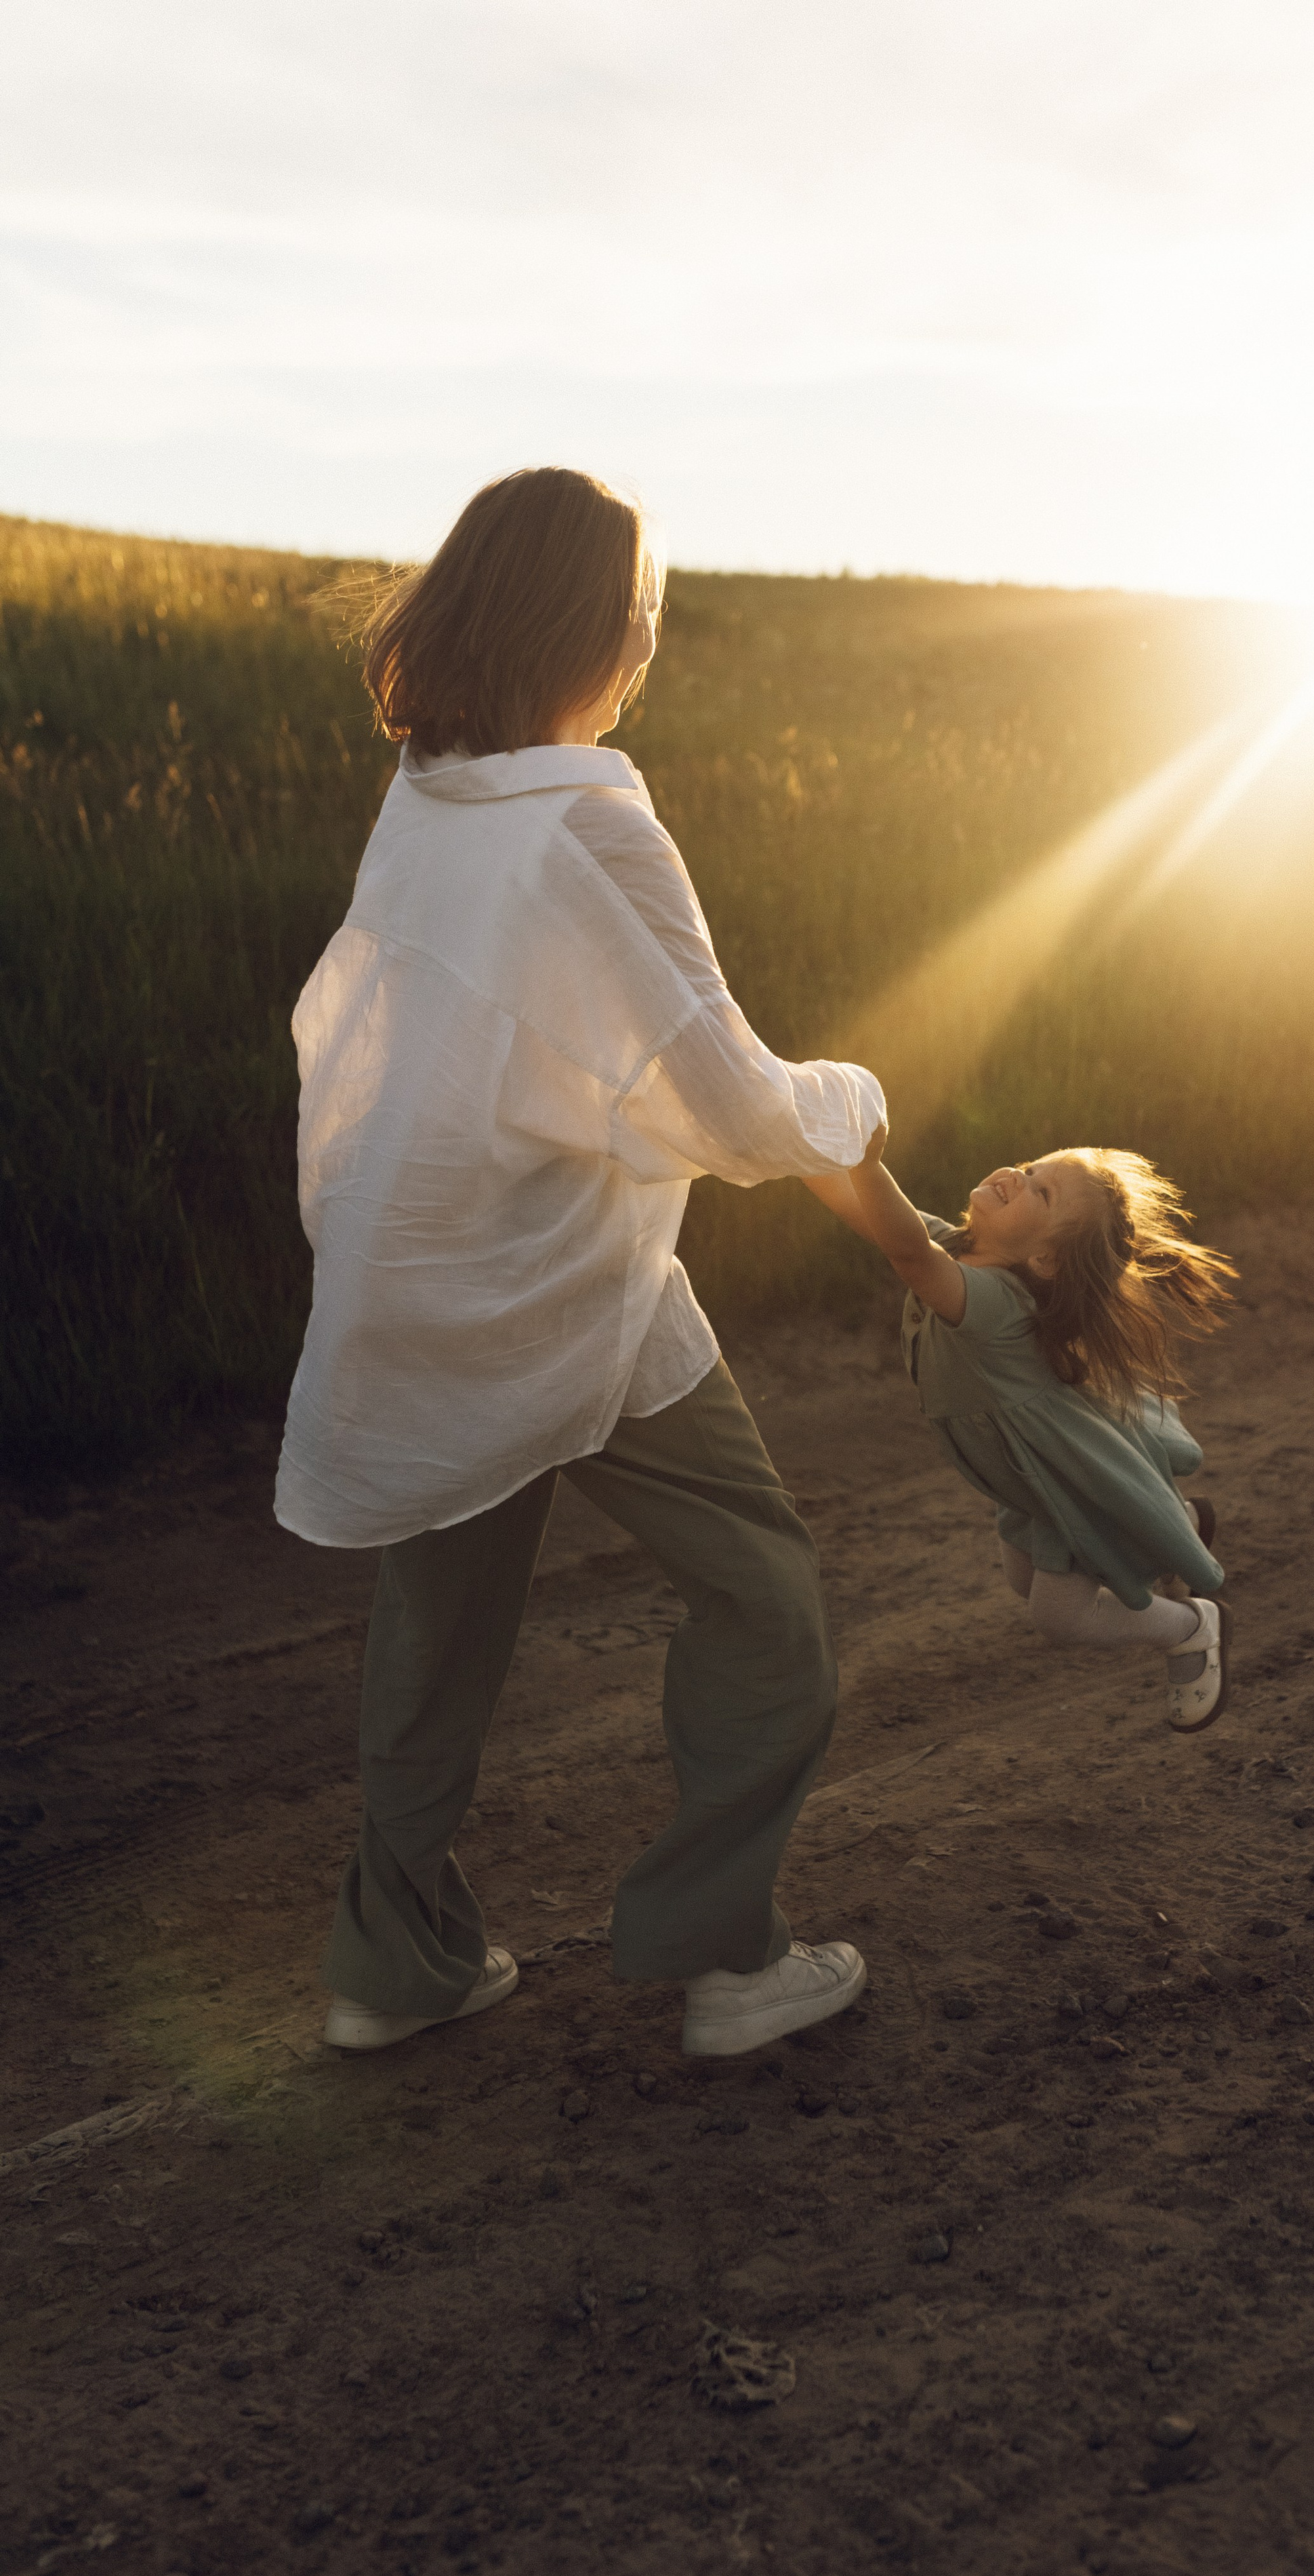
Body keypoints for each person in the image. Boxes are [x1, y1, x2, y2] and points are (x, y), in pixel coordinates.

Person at [276, 466, 882, 2059]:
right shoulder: (590, 820)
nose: (645, 645)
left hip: (411, 1273)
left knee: (440, 1622)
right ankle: (727, 1957)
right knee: (761, 1594)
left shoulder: (432, 788)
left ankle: (390, 1968)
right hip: (560, 1279)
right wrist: (856, 1100)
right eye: (640, 618)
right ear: (594, 630)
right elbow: (734, 1104)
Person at [804, 1131, 1235, 1725]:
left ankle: (1191, 1628)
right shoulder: (958, 1246)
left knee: (1058, 1615)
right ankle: (1169, 1525)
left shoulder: (990, 1302)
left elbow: (904, 1249)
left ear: (1046, 1260)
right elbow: (862, 1210)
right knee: (1021, 1576)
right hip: (1024, 1473)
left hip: (1063, 1478)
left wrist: (866, 1162)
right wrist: (788, 1145)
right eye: (1031, 1166)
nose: (1017, 1175)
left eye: (1042, 1190)